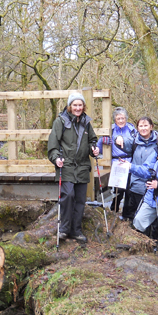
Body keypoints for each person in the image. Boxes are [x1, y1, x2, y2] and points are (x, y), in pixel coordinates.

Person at [48, 93, 99, 243]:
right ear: (70, 106)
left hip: (82, 166)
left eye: (80, 105)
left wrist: (94, 149)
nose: (78, 108)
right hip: (67, 165)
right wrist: (56, 158)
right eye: (75, 105)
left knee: (80, 199)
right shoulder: (60, 122)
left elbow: (92, 141)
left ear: (84, 106)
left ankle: (76, 230)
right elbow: (53, 145)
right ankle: (64, 229)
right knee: (68, 195)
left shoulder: (86, 123)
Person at [99, 107, 136, 213]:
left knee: (129, 190)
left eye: (123, 118)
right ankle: (113, 210)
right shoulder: (110, 130)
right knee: (118, 190)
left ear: (126, 119)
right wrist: (102, 141)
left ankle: (127, 213)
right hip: (115, 163)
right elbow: (99, 149)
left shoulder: (131, 129)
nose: (120, 120)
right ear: (114, 119)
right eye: (118, 118)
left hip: (129, 162)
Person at [121, 116, 158, 221]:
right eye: (140, 126)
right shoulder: (134, 141)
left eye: (146, 125)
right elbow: (121, 144)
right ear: (137, 128)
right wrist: (117, 139)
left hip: (152, 184)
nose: (143, 128)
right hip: (136, 183)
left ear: (151, 127)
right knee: (135, 214)